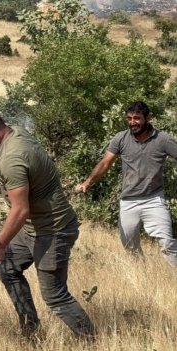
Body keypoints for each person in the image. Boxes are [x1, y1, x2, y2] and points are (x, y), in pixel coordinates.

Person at [0, 103, 95, 340]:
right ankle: (31, 333)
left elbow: (20, 210)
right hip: (34, 228)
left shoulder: (12, 158)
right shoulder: (12, 132)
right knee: (8, 268)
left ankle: (91, 341)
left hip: (53, 230)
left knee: (55, 295)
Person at [75, 101, 177, 266]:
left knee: (168, 244)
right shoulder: (121, 138)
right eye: (129, 118)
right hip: (128, 201)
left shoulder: (163, 139)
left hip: (154, 200)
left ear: (148, 118)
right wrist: (88, 182)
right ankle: (141, 277)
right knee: (130, 247)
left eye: (137, 118)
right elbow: (105, 163)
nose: (132, 122)